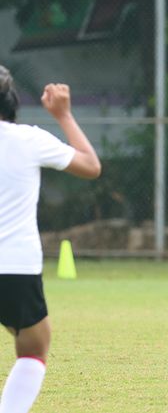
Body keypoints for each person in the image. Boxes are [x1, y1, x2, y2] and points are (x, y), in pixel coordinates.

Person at [0, 67, 101, 413]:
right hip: (14, 266)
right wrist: (63, 114)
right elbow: (90, 165)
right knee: (32, 350)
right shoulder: (28, 139)